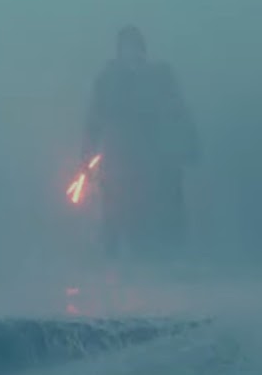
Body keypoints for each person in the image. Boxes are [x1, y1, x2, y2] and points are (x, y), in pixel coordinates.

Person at [82, 25, 200, 259]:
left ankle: (158, 253)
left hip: (152, 153)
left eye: (135, 47)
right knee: (116, 203)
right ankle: (113, 250)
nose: (131, 53)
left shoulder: (159, 78)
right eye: (126, 47)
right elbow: (95, 119)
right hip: (119, 153)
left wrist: (188, 145)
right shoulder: (109, 80)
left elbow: (178, 111)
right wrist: (87, 154)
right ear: (119, 51)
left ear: (142, 50)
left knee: (158, 203)